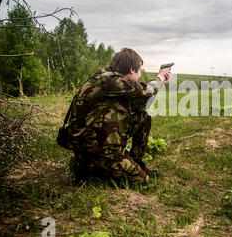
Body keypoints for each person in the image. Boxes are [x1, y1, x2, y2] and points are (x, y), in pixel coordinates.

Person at [65, 48, 171, 185]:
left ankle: (136, 162)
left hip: (96, 140)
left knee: (143, 117)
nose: (139, 75)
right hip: (91, 148)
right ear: (132, 69)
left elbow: (140, 101)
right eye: (139, 70)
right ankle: (85, 168)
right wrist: (160, 77)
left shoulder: (110, 79)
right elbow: (144, 91)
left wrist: (159, 83)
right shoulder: (108, 80)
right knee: (142, 180)